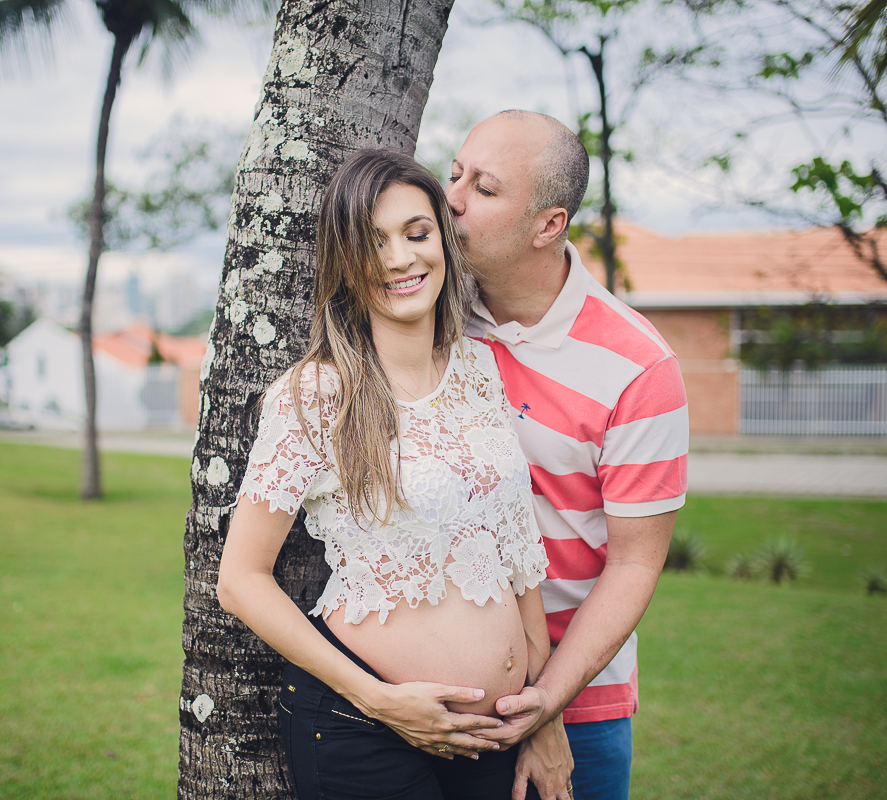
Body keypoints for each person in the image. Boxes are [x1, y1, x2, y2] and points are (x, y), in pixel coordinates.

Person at [216, 149, 554, 799]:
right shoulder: (316, 396)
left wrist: (542, 706)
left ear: (443, 245)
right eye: (373, 243)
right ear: (345, 263)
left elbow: (515, 545)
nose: (400, 259)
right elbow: (240, 581)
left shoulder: (478, 371)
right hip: (366, 733)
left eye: (416, 233)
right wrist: (377, 699)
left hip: (501, 733)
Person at [447, 111, 690, 800]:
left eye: (484, 188)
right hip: (442, 683)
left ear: (547, 225)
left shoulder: (638, 368)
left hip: (580, 702)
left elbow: (635, 561)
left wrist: (544, 702)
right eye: (455, 174)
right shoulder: (428, 316)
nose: (452, 199)